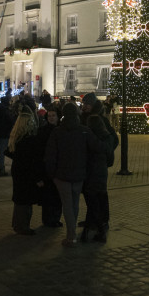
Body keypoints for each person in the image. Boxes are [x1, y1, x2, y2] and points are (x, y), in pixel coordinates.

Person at [45, 102, 102, 247]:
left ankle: (71, 236)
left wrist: (51, 174)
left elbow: (50, 155)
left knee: (67, 205)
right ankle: (72, 233)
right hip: (79, 174)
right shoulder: (84, 131)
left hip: (61, 175)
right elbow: (96, 147)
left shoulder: (57, 132)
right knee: (74, 203)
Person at [80, 93, 118, 233]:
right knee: (89, 194)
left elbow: (113, 139)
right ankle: (91, 219)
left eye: (87, 104)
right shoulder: (83, 118)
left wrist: (104, 152)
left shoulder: (101, 120)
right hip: (86, 163)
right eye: (84, 104)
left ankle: (102, 220)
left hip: (97, 163)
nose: (85, 106)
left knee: (100, 193)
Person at [9, 106, 44, 235]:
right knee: (25, 201)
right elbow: (33, 162)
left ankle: (17, 224)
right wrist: (38, 178)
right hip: (26, 173)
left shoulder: (16, 136)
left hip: (18, 170)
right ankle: (23, 226)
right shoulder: (29, 140)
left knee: (19, 199)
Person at [36, 104, 63, 227]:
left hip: (59, 169)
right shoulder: (43, 131)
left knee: (57, 196)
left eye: (53, 116)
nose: (51, 118)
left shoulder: (62, 130)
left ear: (58, 117)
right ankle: (48, 219)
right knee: (48, 196)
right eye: (49, 116)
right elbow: (39, 152)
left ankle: (56, 218)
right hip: (47, 169)